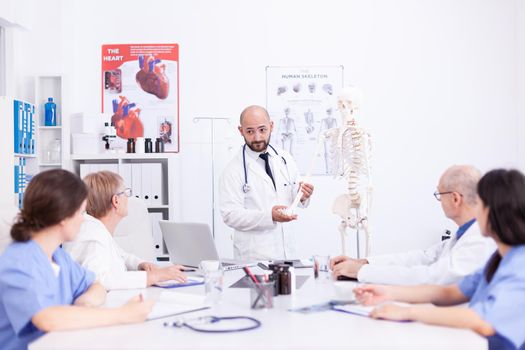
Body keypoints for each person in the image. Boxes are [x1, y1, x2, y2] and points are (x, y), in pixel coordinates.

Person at [353, 169, 525, 350]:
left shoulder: (520, 264)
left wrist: (408, 312)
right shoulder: (499, 259)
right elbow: (450, 293)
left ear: (494, 211)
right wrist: (389, 293)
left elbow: (483, 320)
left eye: (479, 205)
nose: (476, 212)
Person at [0, 169, 153, 350]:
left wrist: (85, 302)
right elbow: (47, 319)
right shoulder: (18, 261)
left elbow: (95, 285)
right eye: (81, 213)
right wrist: (122, 314)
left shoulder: (59, 257)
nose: (83, 220)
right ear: (63, 216)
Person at [330, 165, 495, 285]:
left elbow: (432, 277)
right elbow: (424, 257)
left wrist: (362, 272)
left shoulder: (480, 240)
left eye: (440, 194)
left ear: (455, 198)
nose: (439, 200)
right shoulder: (464, 233)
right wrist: (364, 263)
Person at [219, 105, 314, 260]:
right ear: (241, 131)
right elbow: (230, 215)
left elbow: (294, 198)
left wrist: (302, 197)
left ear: (271, 126)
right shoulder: (233, 170)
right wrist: (269, 216)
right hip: (254, 256)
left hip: (287, 253)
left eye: (262, 129)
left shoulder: (285, 159)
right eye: (250, 131)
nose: (257, 137)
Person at [64, 171, 187, 290]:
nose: (128, 198)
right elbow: (97, 279)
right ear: (116, 201)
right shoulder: (93, 234)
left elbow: (119, 254)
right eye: (126, 193)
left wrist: (140, 264)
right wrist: (152, 277)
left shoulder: (96, 229)